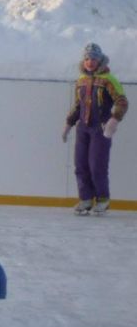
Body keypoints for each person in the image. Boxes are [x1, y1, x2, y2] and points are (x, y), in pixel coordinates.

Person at [62, 42, 127, 216]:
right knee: (81, 165)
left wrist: (114, 120)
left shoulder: (108, 80)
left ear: (100, 61)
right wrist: (69, 123)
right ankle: (85, 199)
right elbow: (78, 105)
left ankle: (102, 200)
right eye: (87, 58)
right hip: (83, 128)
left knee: (97, 165)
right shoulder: (81, 81)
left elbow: (122, 102)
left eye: (94, 59)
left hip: (101, 129)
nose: (90, 62)